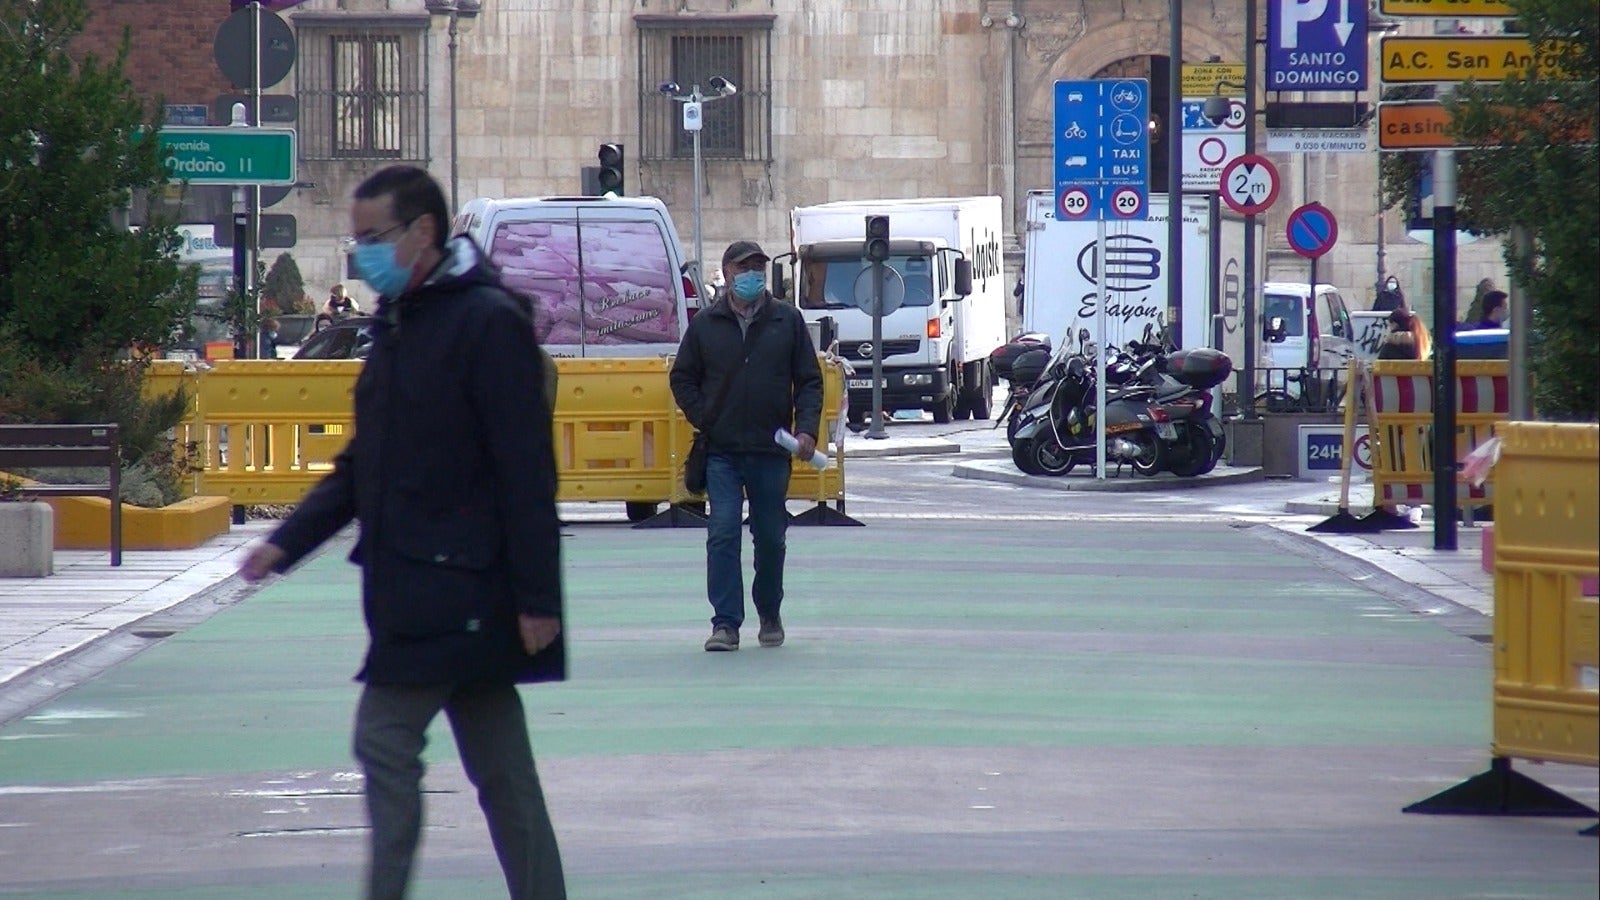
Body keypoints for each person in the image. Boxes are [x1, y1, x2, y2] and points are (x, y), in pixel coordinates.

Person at [237, 165, 567, 900]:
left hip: (455, 588)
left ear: (423, 232)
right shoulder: (400, 322)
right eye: (356, 243)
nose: (363, 258)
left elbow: (526, 472)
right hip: (422, 583)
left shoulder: (485, 323)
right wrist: (286, 541)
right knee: (504, 774)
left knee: (384, 741)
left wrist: (538, 598)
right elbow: (363, 464)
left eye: (373, 238)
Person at [669, 240, 823, 652]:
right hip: (722, 450)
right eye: (745, 268)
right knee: (721, 533)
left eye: (758, 267)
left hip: (772, 450)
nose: (753, 274)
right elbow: (682, 378)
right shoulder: (705, 325)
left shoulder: (787, 321)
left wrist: (807, 429)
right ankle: (725, 624)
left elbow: (809, 380)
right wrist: (705, 417)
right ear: (728, 274)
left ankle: (769, 612)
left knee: (771, 536)